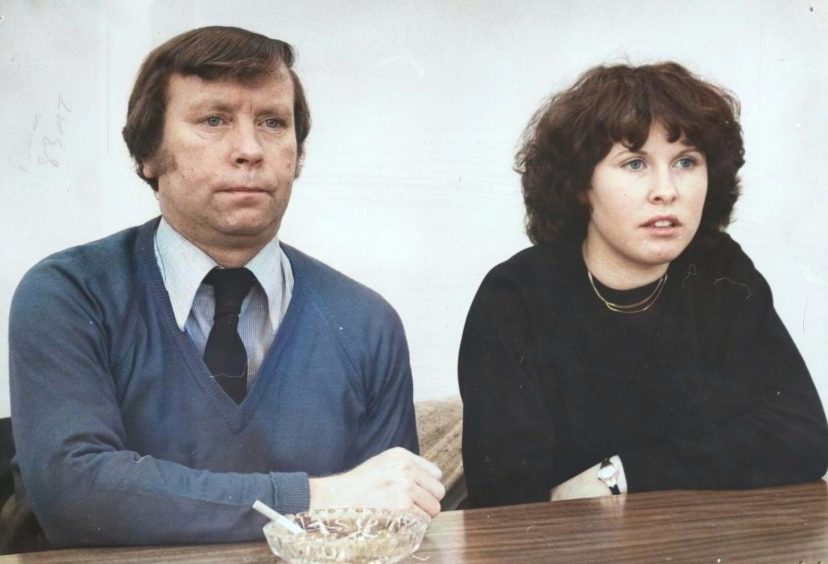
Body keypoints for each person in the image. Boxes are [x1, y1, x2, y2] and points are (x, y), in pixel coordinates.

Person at [2, 26, 444, 551]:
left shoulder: (367, 322)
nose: (250, 150)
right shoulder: (71, 295)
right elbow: (77, 497)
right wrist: (313, 497)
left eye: (273, 123)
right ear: (148, 154)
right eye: (214, 120)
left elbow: (390, 526)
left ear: (297, 156)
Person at [458, 62, 828, 509]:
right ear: (580, 185)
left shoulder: (721, 273)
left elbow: (803, 436)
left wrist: (622, 474)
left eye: (686, 162)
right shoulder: (516, 296)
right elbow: (508, 496)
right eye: (634, 163)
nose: (665, 190)